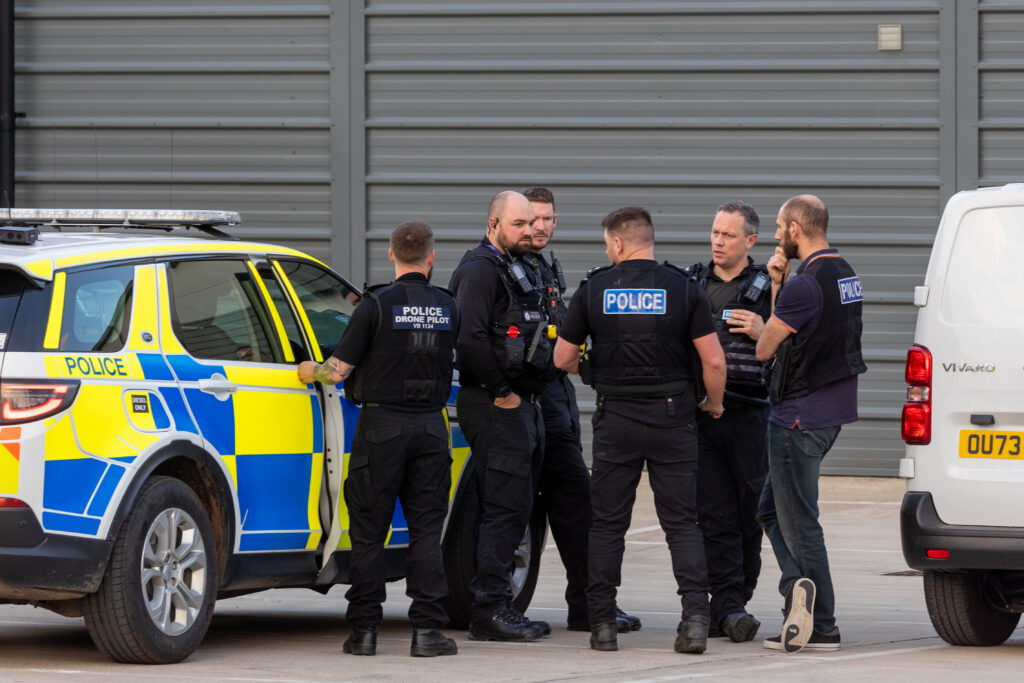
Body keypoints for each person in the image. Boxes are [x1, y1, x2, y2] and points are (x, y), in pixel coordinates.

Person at [553, 206, 727, 654]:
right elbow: (713, 360)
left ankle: (602, 625)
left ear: (617, 243)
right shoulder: (683, 286)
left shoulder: (594, 288)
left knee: (608, 526)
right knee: (682, 524)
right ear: (648, 240)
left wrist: (591, 372)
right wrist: (714, 402)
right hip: (674, 417)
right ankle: (694, 622)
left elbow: (562, 359)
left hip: (617, 420)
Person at [297, 221, 459, 658]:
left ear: (391, 255)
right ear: (430, 258)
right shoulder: (448, 306)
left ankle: (364, 632)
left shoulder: (376, 305)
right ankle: (427, 633)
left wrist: (307, 370)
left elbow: (337, 372)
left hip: (381, 428)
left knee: (369, 533)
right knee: (427, 531)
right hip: (430, 427)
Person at [521, 187, 641, 634]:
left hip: (557, 399)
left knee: (576, 507)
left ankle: (588, 605)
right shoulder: (497, 268)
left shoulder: (546, 266)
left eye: (547, 218)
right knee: (524, 509)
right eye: (531, 219)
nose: (540, 227)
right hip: (526, 401)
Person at [754, 194, 866, 654]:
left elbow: (766, 347)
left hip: (798, 418)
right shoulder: (844, 273)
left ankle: (821, 623)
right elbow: (801, 330)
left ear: (795, 229)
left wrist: (774, 294)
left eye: (780, 227)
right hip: (831, 412)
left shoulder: (807, 283)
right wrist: (779, 282)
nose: (777, 235)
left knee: (800, 522)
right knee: (770, 511)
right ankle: (799, 593)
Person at [448, 190, 551, 642]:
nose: (529, 232)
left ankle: (498, 604)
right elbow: (468, 338)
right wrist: (502, 391)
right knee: (503, 507)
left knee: (517, 509)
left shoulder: (520, 266)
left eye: (531, 223)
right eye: (519, 225)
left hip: (523, 404)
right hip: (494, 404)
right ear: (493, 225)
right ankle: (489, 610)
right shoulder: (479, 270)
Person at [685, 201, 772, 644]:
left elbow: (798, 354)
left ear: (750, 241)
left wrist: (764, 332)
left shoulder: (770, 288)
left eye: (728, 235)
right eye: (715, 232)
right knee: (713, 514)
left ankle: (735, 600)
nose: (718, 241)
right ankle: (729, 606)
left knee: (750, 513)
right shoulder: (691, 282)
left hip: (751, 417)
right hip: (702, 417)